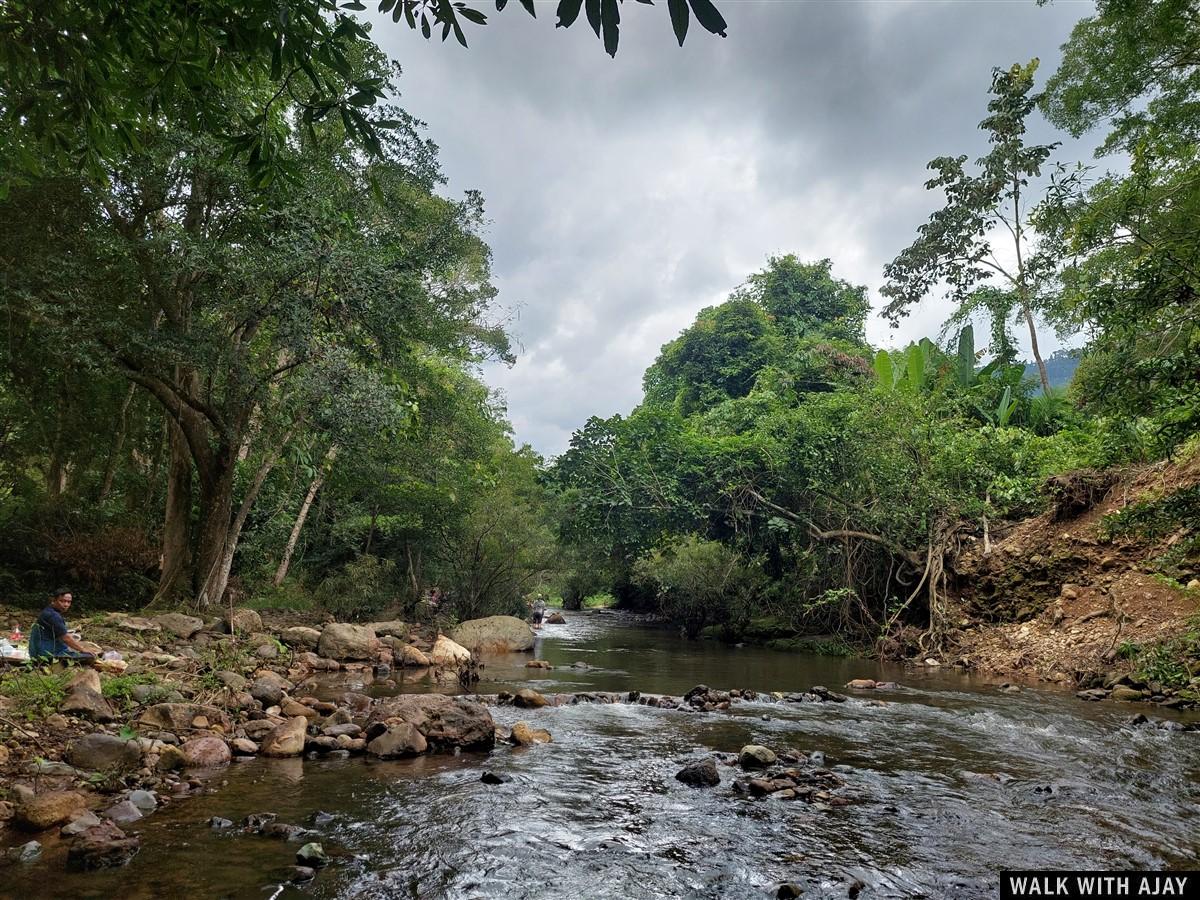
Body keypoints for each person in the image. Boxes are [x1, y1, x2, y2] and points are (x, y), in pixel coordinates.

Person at [28, 588, 95, 662]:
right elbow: (66, 638)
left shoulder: (48, 611)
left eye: (69, 602)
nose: (66, 605)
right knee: (90, 656)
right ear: (54, 600)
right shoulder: (53, 616)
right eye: (62, 601)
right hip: (47, 655)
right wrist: (83, 649)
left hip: (38, 652)